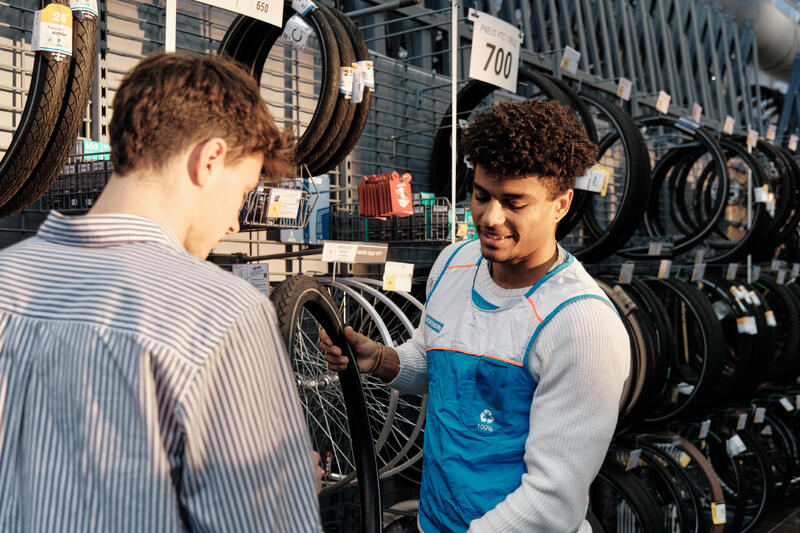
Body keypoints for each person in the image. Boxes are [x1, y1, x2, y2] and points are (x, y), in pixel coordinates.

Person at [0, 52, 322, 532]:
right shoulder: (221, 313)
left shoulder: (7, 277)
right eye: (243, 191)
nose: (235, 221)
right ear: (210, 159)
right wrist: (282, 492)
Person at [321, 99, 631, 532]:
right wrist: (381, 360)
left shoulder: (580, 325)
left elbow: (552, 502)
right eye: (482, 195)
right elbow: (438, 364)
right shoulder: (454, 264)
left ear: (561, 204)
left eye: (514, 202)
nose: (490, 217)